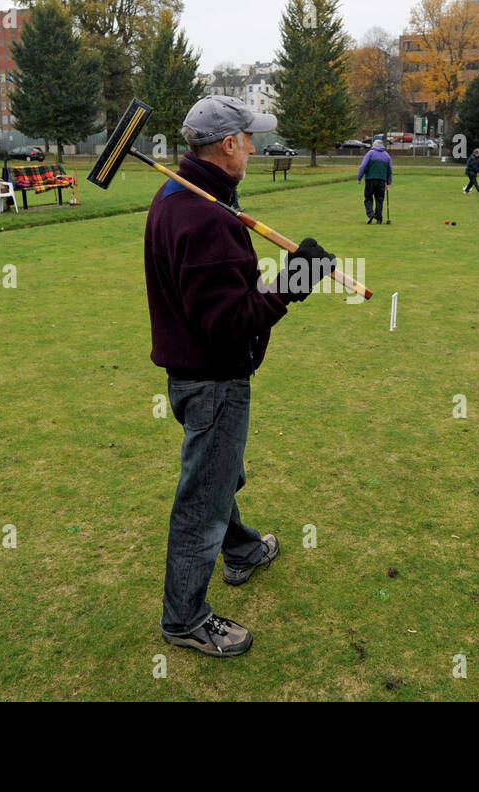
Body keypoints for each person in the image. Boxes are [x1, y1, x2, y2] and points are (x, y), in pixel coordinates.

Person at [145, 95, 335, 658]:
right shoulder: (200, 216)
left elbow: (220, 299)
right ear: (228, 144)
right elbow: (228, 324)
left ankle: (244, 551)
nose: (255, 147)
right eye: (249, 138)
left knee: (217, 473)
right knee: (203, 495)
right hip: (213, 378)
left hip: (195, 373)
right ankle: (183, 619)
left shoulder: (188, 196)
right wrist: (292, 283)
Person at [357, 139, 392, 224]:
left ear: (375, 145)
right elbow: (389, 170)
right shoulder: (387, 156)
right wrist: (388, 183)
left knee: (368, 198)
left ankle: (371, 214)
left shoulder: (370, 153)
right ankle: (379, 219)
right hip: (381, 181)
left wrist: (359, 177)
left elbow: (363, 166)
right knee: (379, 199)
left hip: (370, 180)